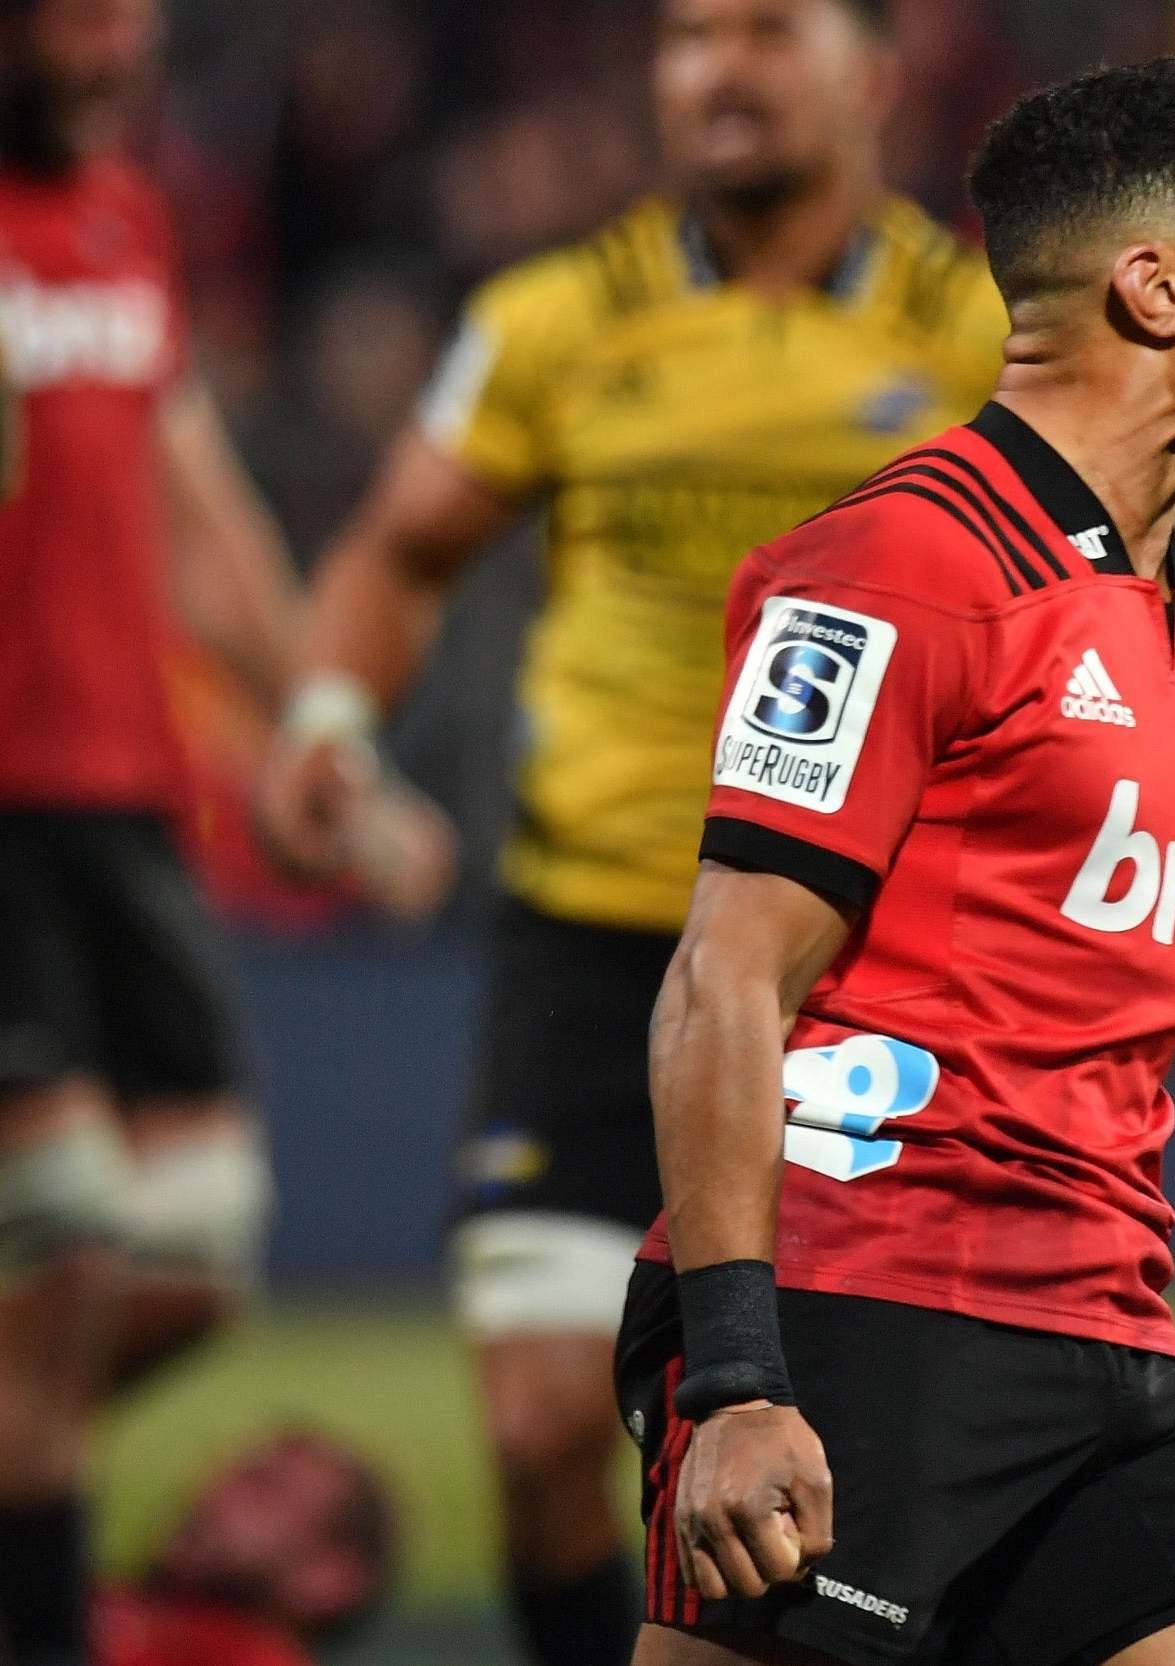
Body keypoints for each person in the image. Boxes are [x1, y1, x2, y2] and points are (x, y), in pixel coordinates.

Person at [254, 2, 1006, 1661]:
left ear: (876, 76)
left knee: (848, 1466)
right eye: (683, 36)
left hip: (851, 966)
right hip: (596, 939)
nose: (715, 68)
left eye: (765, 28)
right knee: (537, 1437)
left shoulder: (977, 332)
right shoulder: (555, 317)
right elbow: (394, 553)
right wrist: (323, 719)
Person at [617, 54, 1175, 1666]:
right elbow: (725, 975)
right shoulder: (902, 564)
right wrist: (738, 1379)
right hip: (862, 1313)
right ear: (1155, 290)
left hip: (1102, 1332)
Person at [0, 4, 443, 1662]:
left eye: (136, 26)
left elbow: (201, 536)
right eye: (83, 25)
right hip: (4, 807)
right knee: (53, 1274)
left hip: (127, 809)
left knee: (191, 1253)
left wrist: (327, 742)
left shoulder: (127, 217)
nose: (118, 53)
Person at [94, 1429, 395, 1666]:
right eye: (230, 1475)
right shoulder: (122, 1606)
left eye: (264, 1488)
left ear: (329, 1576)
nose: (216, 1493)